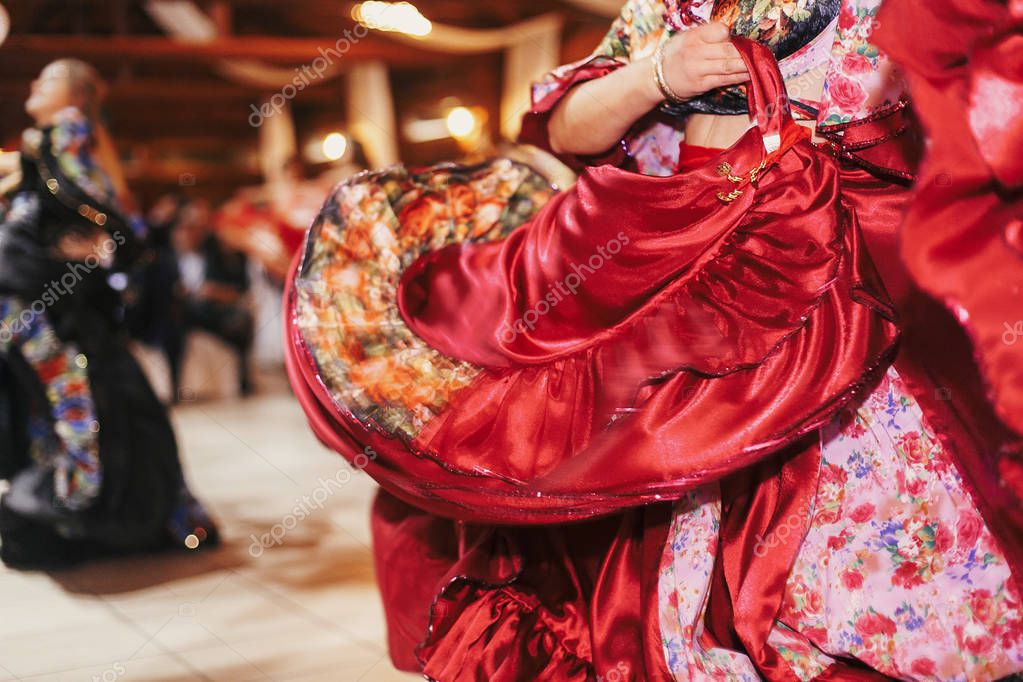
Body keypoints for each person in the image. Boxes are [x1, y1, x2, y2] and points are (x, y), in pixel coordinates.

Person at [286, 3, 1023, 680]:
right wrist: (656, 75)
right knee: (640, 480)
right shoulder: (676, 6)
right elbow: (565, 124)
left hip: (865, 290)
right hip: (682, 273)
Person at [0, 59, 218, 569]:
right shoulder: (45, 147)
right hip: (44, 306)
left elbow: (99, 209)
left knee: (73, 407)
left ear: (74, 96)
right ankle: (78, 509)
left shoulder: (65, 136)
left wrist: (103, 241)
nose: (33, 85)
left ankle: (81, 514)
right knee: (69, 403)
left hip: (51, 309)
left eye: (46, 79)